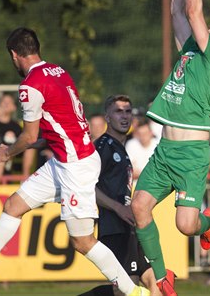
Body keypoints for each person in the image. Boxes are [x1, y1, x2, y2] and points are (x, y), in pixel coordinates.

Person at [0, 28, 148, 296]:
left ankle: (135, 293)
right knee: (13, 205)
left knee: (82, 241)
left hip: (75, 165)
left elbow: (29, 136)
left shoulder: (29, 86)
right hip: (64, 160)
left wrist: (6, 153)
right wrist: (28, 144)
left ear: (14, 55)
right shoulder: (58, 71)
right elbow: (55, 127)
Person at [130, 0, 210, 295]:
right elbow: (178, 9)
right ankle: (163, 277)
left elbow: (193, 9)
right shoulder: (191, 51)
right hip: (165, 152)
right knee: (139, 205)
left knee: (185, 225)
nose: (208, 26)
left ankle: (207, 224)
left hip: (191, 155)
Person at [80, 95, 159, 296]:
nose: (124, 116)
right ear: (107, 117)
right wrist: (118, 208)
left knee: (155, 279)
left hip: (130, 225)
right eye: (118, 111)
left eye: (128, 111)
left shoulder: (122, 148)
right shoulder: (102, 147)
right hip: (114, 228)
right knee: (126, 289)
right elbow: (87, 186)